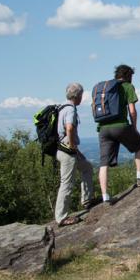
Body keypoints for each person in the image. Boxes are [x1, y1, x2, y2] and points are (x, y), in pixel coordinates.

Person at [96, 64, 140, 197]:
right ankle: (139, 177)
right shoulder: (127, 86)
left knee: (103, 163)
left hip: (103, 128)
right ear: (129, 76)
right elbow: (132, 111)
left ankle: (105, 196)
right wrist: (134, 128)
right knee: (139, 143)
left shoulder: (105, 89)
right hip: (120, 126)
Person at [55, 82, 95, 227]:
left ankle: (87, 200)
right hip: (67, 152)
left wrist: (76, 151)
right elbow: (70, 128)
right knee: (66, 183)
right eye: (81, 95)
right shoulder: (70, 109)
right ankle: (61, 217)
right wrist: (72, 146)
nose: (81, 98)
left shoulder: (61, 108)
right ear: (77, 96)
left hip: (63, 149)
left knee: (87, 167)